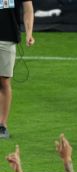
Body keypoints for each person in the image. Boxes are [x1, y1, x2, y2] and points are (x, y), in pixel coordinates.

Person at [0, 0, 34, 138]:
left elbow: (28, 9)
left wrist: (29, 33)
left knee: (3, 81)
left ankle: (2, 125)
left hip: (6, 37)